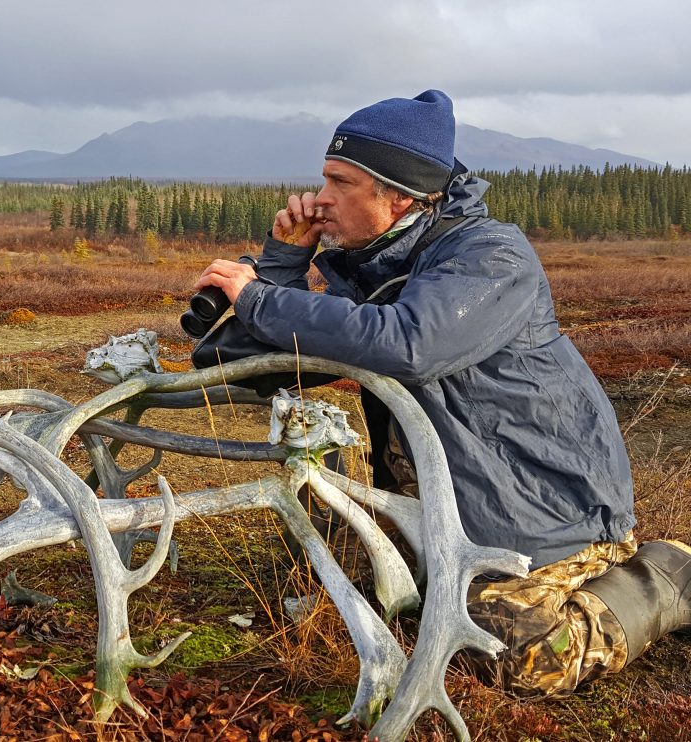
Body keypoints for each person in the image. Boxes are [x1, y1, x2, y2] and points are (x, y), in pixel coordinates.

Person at [193, 89, 691, 696]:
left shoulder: (489, 257)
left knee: (522, 662)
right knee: (315, 573)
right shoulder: (371, 268)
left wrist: (260, 299)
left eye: (339, 182)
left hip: (538, 506)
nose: (319, 198)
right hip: (439, 502)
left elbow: (408, 343)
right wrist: (280, 268)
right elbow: (245, 366)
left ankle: (665, 575)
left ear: (398, 195)